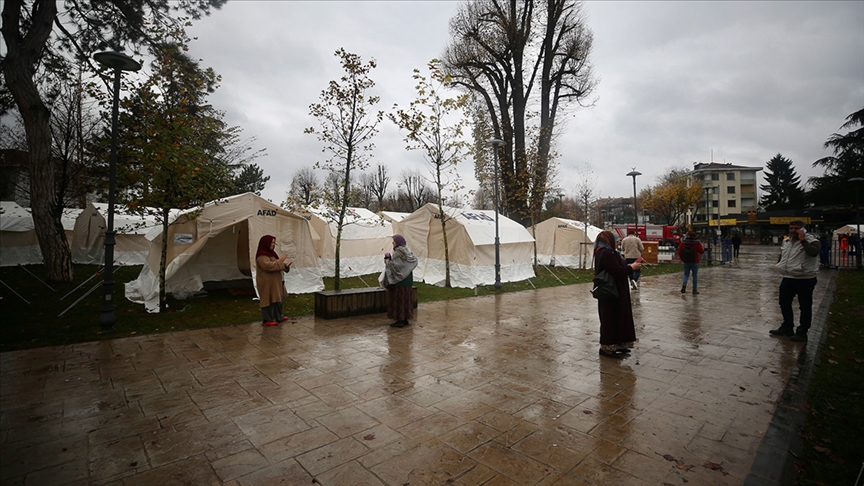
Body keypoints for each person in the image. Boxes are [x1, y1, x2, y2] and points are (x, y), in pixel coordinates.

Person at [770, 220, 820, 342]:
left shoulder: (813, 241)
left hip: (805, 278)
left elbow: (813, 253)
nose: (793, 230)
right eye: (791, 228)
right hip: (788, 277)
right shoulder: (786, 241)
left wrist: (803, 240)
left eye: (796, 228)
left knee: (805, 306)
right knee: (784, 302)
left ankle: (802, 331)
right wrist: (780, 264)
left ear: (803, 229)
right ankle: (787, 327)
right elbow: (783, 255)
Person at [594, 230, 641, 358]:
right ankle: (607, 348)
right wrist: (632, 268)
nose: (618, 243)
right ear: (609, 241)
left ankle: (618, 344)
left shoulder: (605, 252)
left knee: (618, 318)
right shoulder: (606, 253)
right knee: (611, 319)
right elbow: (617, 271)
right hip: (612, 292)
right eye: (616, 241)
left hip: (614, 291)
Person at [255, 235, 291, 327]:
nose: (273, 244)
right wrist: (281, 260)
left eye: (274, 242)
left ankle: (278, 317)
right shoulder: (262, 255)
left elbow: (276, 264)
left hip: (275, 282)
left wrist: (285, 266)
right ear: (265, 243)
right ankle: (267, 319)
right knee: (268, 300)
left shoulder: (272, 254)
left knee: (277, 299)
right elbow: (268, 266)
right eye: (271, 242)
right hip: (267, 283)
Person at [383, 234, 418, 328]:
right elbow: (409, 263)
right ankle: (405, 318)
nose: (392, 243)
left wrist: (387, 261)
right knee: (406, 300)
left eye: (394, 241)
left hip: (400, 281)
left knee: (399, 300)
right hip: (407, 280)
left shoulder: (399, 252)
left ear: (397, 242)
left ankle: (400, 320)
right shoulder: (408, 251)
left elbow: (397, 266)